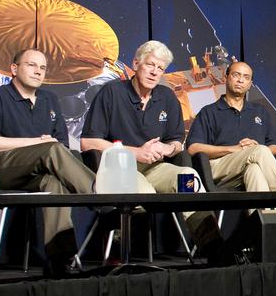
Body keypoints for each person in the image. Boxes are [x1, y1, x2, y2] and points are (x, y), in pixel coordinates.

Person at [80, 40, 218, 262]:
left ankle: (214, 250)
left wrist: (167, 147)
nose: (155, 72)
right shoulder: (112, 93)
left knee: (189, 178)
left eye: (160, 68)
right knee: (144, 192)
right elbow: (88, 143)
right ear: (136, 64)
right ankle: (122, 251)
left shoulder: (167, 97)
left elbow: (176, 142)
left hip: (155, 167)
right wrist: (134, 152)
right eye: (150, 65)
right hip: (120, 169)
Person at [0, 48, 96, 277]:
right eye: (31, 65)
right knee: (50, 148)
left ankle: (59, 259)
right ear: (14, 69)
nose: (38, 71)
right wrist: (34, 143)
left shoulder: (49, 99)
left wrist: (44, 147)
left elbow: (62, 144)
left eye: (42, 67)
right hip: (4, 167)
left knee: (54, 185)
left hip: (39, 171)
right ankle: (101, 194)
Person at [185, 61, 276, 262]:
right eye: (236, 75)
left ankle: (263, 240)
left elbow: (275, 146)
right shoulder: (209, 111)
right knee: (257, 152)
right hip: (219, 169)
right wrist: (233, 149)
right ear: (226, 77)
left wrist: (256, 152)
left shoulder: (259, 112)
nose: (241, 80)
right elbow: (193, 148)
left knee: (255, 170)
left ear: (250, 83)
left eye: (246, 77)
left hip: (249, 167)